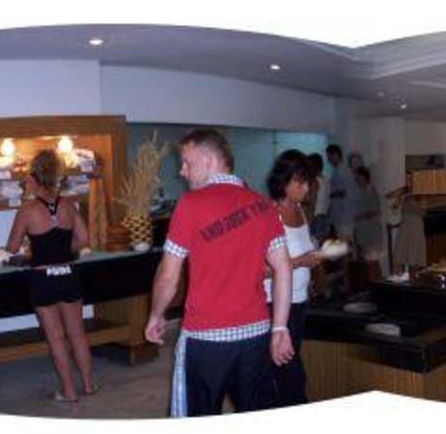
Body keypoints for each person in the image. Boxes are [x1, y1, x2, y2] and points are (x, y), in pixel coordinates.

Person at [145, 129, 296, 417]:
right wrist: (280, 327)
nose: (182, 171)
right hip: (256, 335)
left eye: (187, 162)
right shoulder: (262, 205)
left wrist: (156, 314)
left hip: (206, 339)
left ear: (209, 160)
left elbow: (168, 275)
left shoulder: (190, 205)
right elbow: (283, 266)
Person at [4, 150, 96, 402]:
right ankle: (88, 385)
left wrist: (36, 251)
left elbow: (11, 247)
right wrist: (62, 250)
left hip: (43, 278)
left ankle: (68, 391)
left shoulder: (27, 210)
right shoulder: (69, 205)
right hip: (68, 274)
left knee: (56, 338)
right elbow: (84, 240)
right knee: (78, 334)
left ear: (34, 177)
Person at [263, 150, 323, 405]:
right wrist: (301, 262)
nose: (306, 188)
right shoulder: (269, 214)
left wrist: (312, 260)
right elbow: (261, 269)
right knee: (289, 372)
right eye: (301, 182)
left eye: (308, 182)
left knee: (289, 363)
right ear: (284, 181)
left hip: (299, 301)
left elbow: (301, 251)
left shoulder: (299, 210)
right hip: (275, 303)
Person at [324, 146, 353, 243]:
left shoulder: (344, 170)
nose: (328, 160)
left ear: (336, 155)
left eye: (329, 157)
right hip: (338, 214)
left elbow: (346, 191)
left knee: (345, 242)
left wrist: (331, 194)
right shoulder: (336, 171)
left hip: (345, 214)